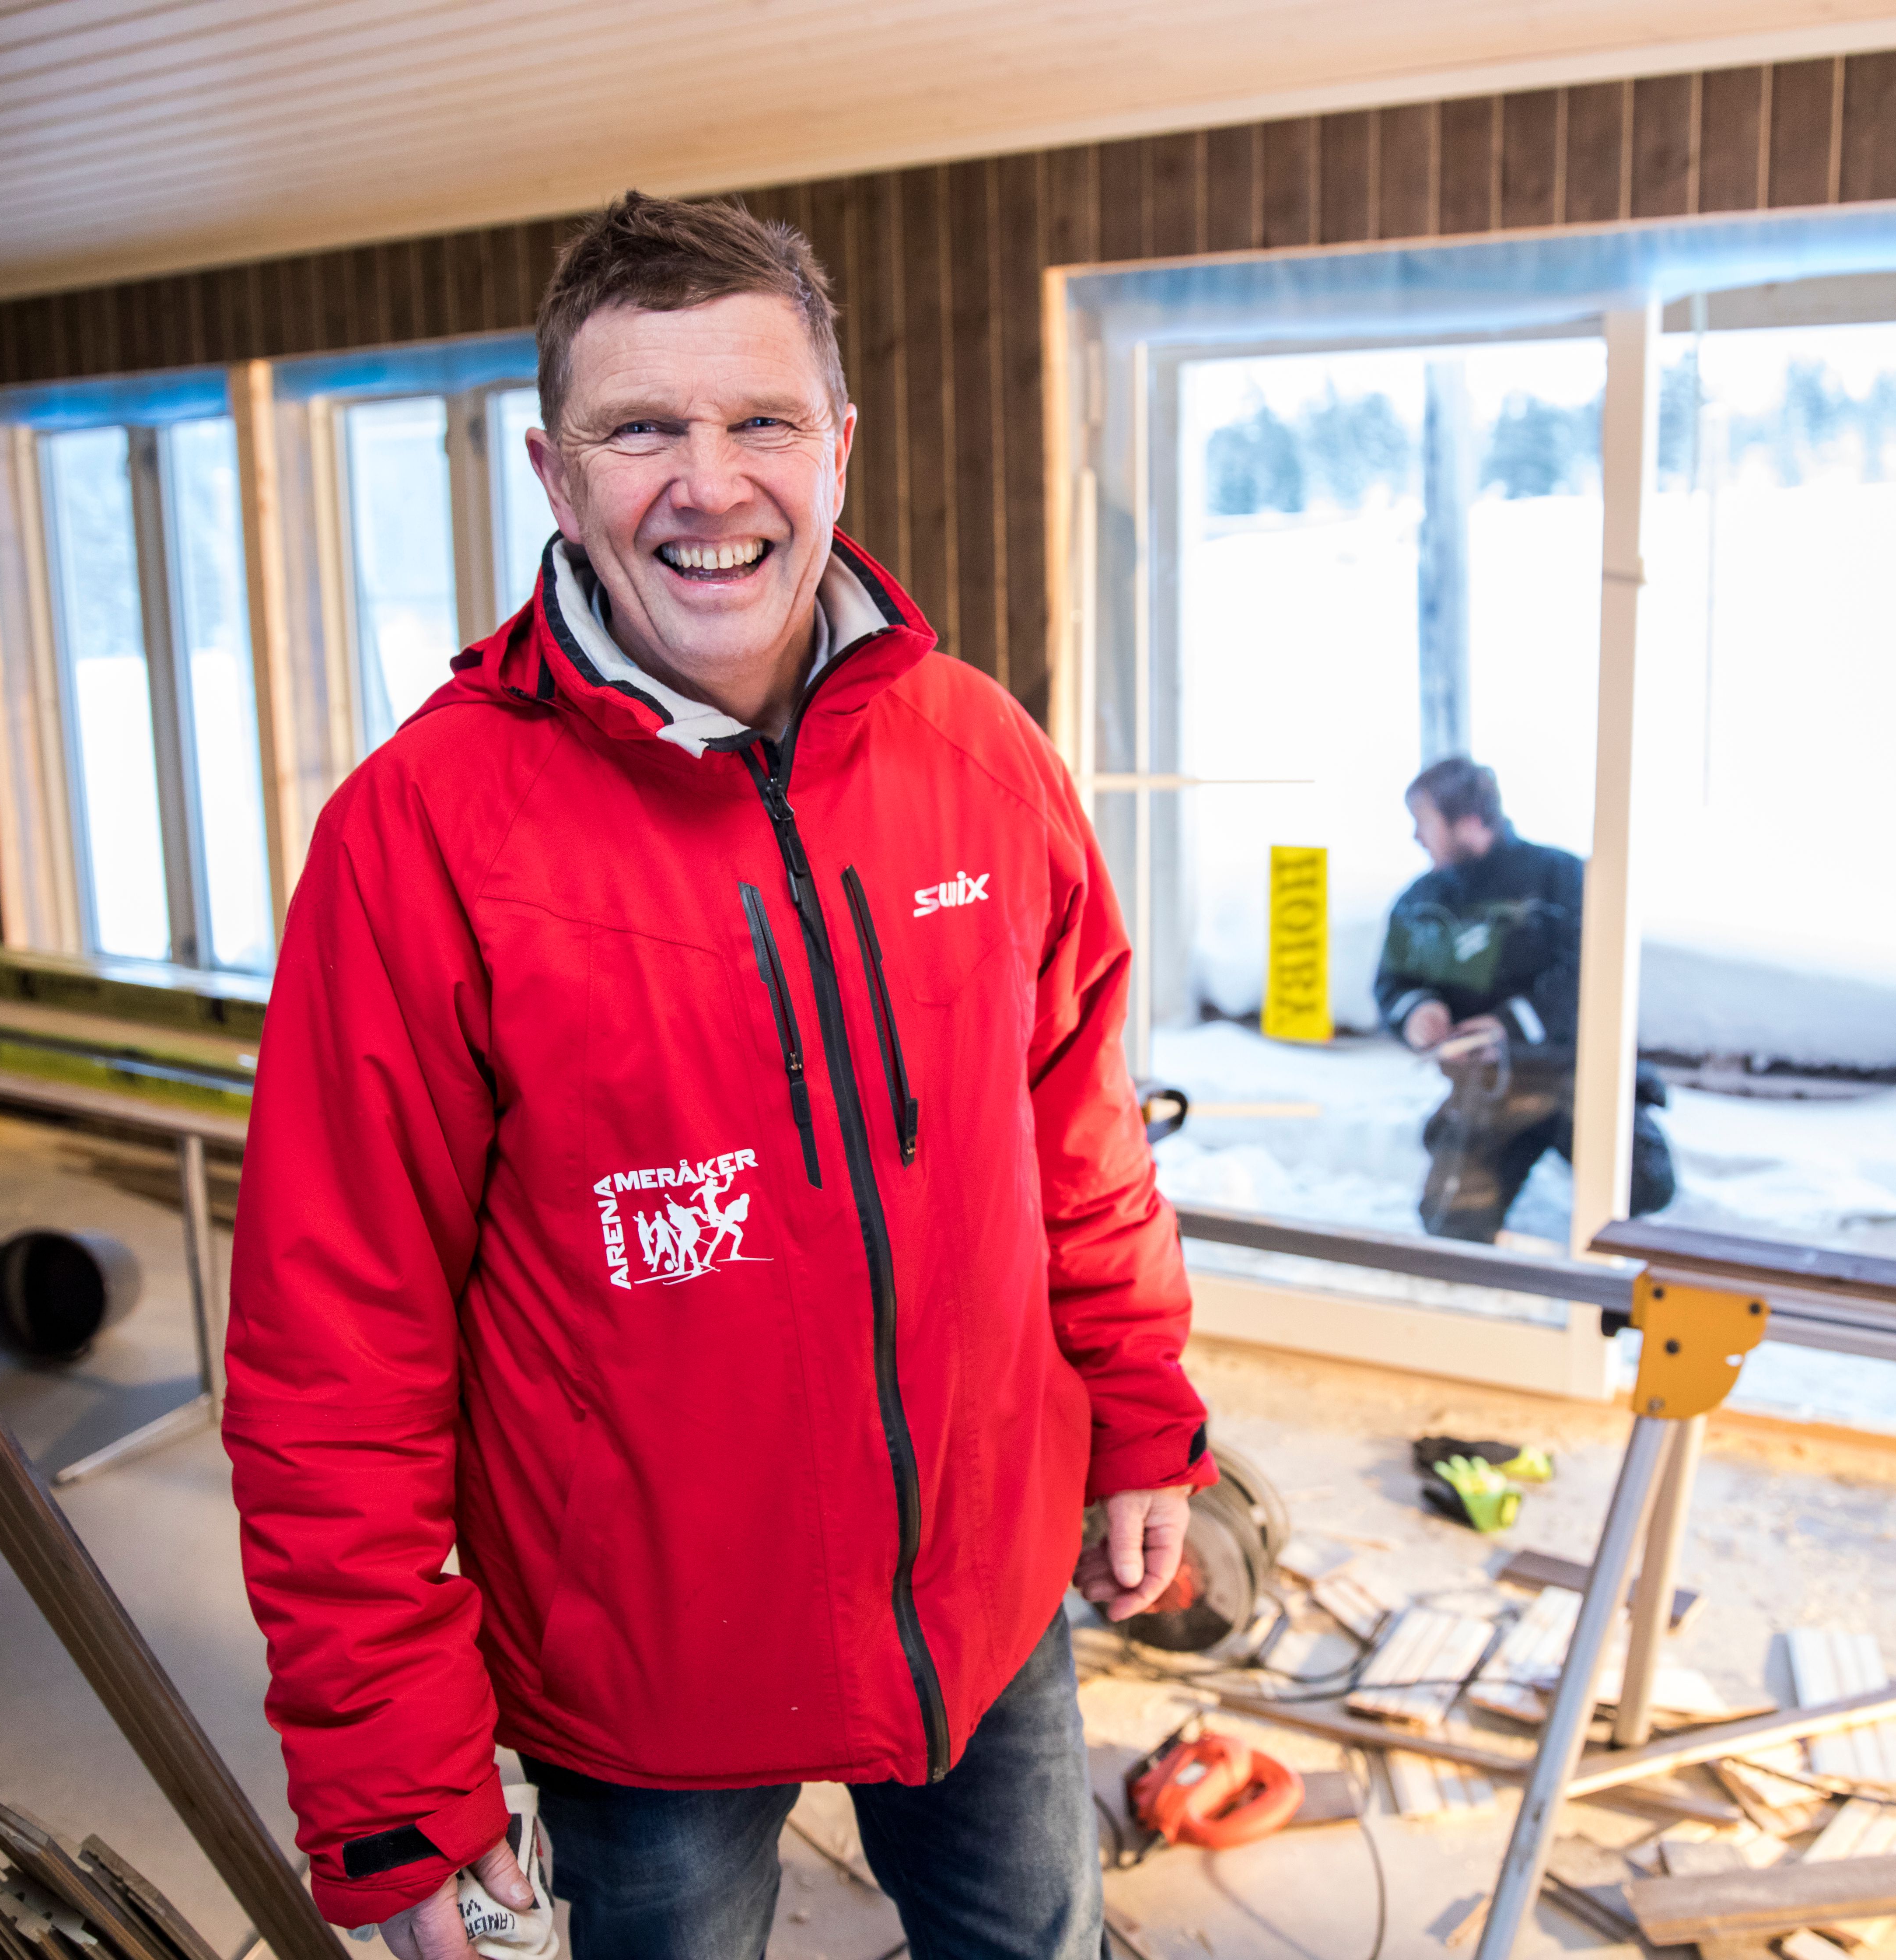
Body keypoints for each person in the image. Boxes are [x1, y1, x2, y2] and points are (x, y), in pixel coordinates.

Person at [223, 192, 1213, 1960]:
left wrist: (1140, 1411)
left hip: (987, 1597)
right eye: (641, 431)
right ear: (554, 473)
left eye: (762, 419)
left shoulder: (980, 755)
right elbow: (335, 1339)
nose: (709, 483)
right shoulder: (423, 834)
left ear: (837, 446)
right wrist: (391, 1769)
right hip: (644, 1675)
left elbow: (1080, 1137)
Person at [1373, 757, 1675, 1240]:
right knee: (1450, 1224)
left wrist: (1509, 1026)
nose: (1415, 837)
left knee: (1646, 1190)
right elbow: (1392, 982)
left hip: (1579, 1078)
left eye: (1423, 821)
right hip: (1491, 1089)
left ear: (1467, 821)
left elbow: (1594, 974)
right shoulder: (1422, 901)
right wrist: (1415, 1012)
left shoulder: (1561, 878)